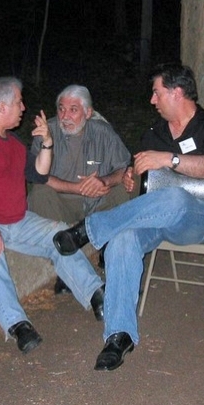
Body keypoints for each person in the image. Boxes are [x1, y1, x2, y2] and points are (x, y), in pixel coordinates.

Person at [54, 63, 204, 371]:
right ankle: (119, 335)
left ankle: (89, 229)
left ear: (177, 92)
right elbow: (139, 176)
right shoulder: (155, 133)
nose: (152, 100)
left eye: (156, 93)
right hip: (155, 219)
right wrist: (130, 177)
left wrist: (168, 159)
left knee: (176, 197)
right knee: (123, 240)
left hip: (197, 218)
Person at [0, 77, 105, 355]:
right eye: (19, 102)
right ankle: (17, 324)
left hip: (15, 221)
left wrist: (47, 143)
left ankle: (97, 295)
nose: (23, 107)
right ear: (2, 106)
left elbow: (40, 174)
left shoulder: (14, 143)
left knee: (60, 235)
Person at [27, 84, 131, 293]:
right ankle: (67, 264)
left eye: (73, 110)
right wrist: (76, 188)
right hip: (61, 203)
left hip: (98, 202)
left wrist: (104, 181)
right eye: (61, 109)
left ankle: (111, 249)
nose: (65, 116)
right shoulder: (47, 132)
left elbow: (123, 168)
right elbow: (39, 176)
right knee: (39, 193)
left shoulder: (103, 132)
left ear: (88, 112)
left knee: (126, 187)